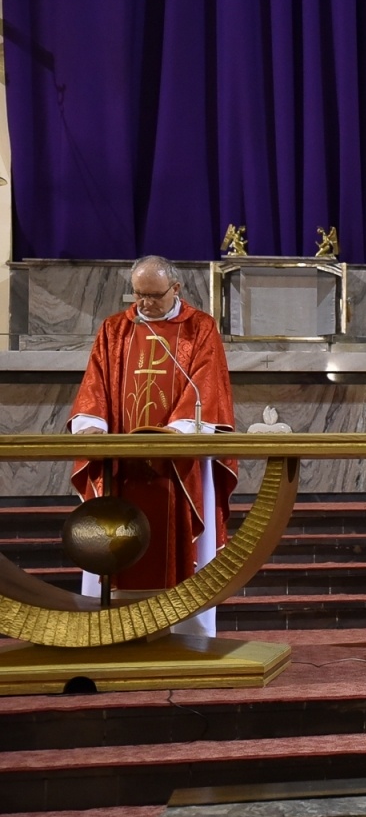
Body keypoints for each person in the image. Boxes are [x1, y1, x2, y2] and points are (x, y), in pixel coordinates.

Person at [70, 255, 237, 637]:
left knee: (177, 545)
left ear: (175, 289)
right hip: (122, 468)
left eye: (153, 296)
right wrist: (93, 427)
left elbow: (207, 385)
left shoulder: (200, 329)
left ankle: (184, 636)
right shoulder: (115, 329)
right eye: (138, 294)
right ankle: (110, 631)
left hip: (177, 466)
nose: (143, 304)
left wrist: (176, 434)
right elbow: (94, 386)